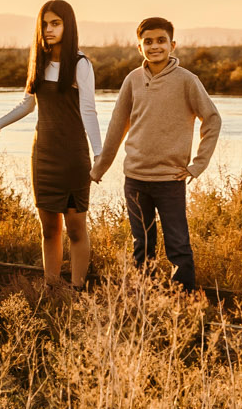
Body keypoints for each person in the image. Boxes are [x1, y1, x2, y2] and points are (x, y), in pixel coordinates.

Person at [0, 0, 102, 288]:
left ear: (67, 25)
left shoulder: (81, 64)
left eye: (55, 23)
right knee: (49, 229)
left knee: (75, 228)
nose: (49, 29)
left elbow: (89, 111)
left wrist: (99, 155)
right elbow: (27, 104)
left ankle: (78, 290)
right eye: (45, 24)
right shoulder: (39, 61)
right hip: (43, 155)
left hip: (73, 156)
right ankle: (52, 290)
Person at [90, 17, 221, 289]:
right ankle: (144, 301)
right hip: (135, 179)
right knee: (143, 246)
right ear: (140, 47)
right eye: (148, 42)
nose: (155, 46)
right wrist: (100, 168)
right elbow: (117, 126)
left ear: (172, 45)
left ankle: (184, 306)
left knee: (178, 247)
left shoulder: (187, 81)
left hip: (169, 180)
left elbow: (212, 119)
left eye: (161, 41)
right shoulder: (132, 80)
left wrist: (197, 165)